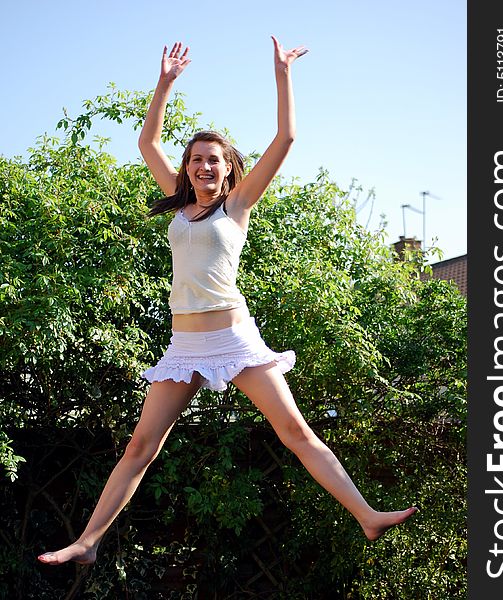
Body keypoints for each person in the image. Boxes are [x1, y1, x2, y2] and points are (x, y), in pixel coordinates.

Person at [38, 36, 416, 566]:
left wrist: (282, 74)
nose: (202, 167)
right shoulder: (179, 205)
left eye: (212, 160)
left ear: (227, 166)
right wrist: (164, 84)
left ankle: (366, 515)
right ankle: (87, 542)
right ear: (188, 169)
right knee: (139, 447)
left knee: (294, 431)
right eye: (195, 160)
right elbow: (148, 143)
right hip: (185, 344)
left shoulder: (236, 206)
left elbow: (286, 138)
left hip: (234, 338)